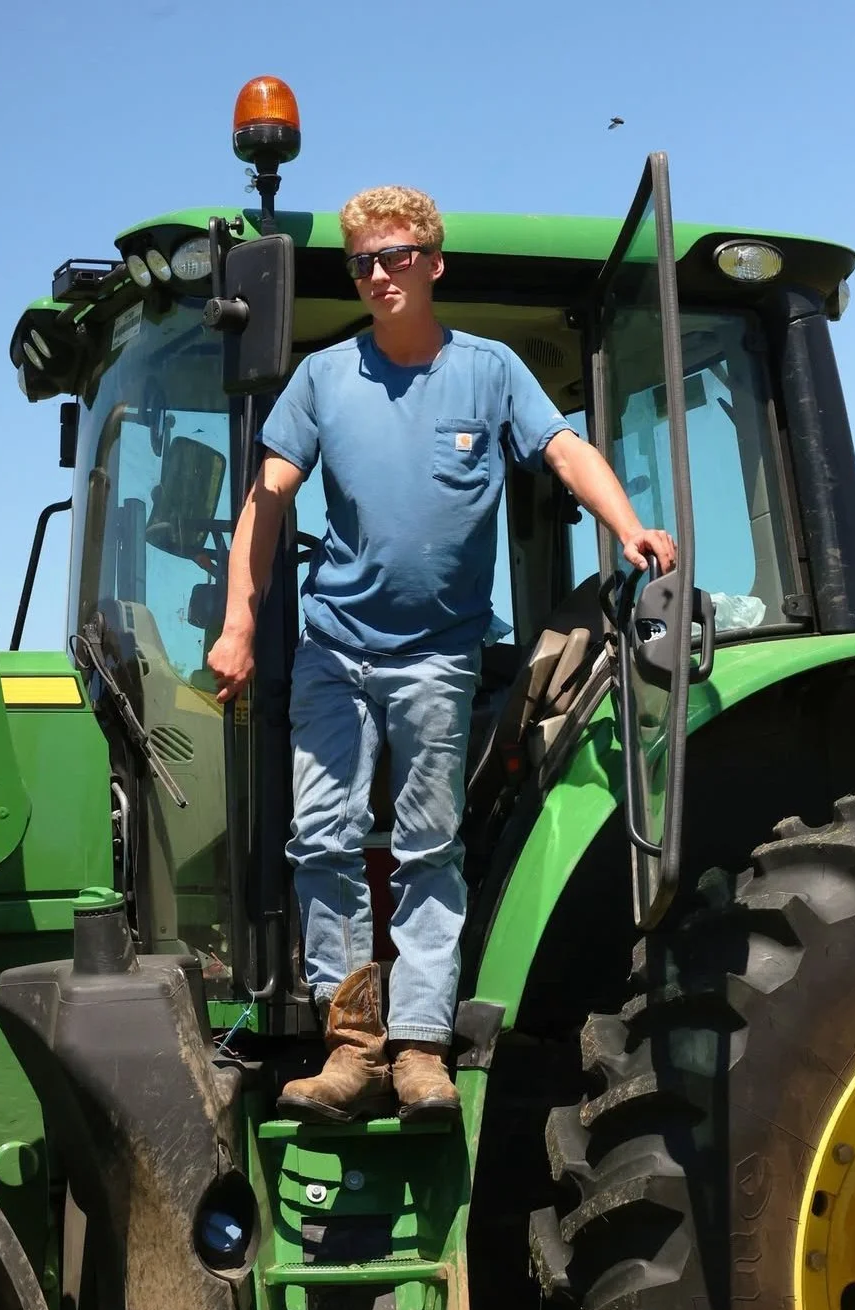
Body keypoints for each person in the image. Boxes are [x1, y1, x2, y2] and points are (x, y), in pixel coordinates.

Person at [207, 185, 675, 1125]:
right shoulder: (323, 379)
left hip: (437, 658)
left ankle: (421, 1047)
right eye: (362, 262)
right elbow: (268, 495)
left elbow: (563, 450)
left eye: (394, 256)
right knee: (322, 841)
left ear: (431, 262)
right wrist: (239, 624)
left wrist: (627, 525)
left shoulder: (488, 371)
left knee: (428, 847)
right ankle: (352, 1047)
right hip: (335, 650)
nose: (377, 274)